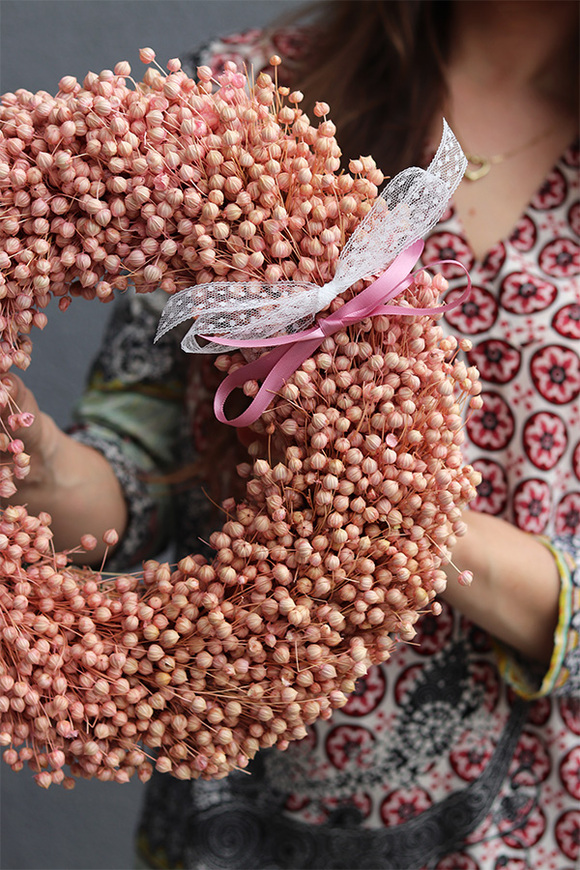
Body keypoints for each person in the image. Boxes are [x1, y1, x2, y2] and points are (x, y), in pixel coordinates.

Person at [2, 1, 578, 867]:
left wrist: (388, 517)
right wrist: (37, 458)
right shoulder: (237, 91)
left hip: (524, 832)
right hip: (242, 820)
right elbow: (137, 476)